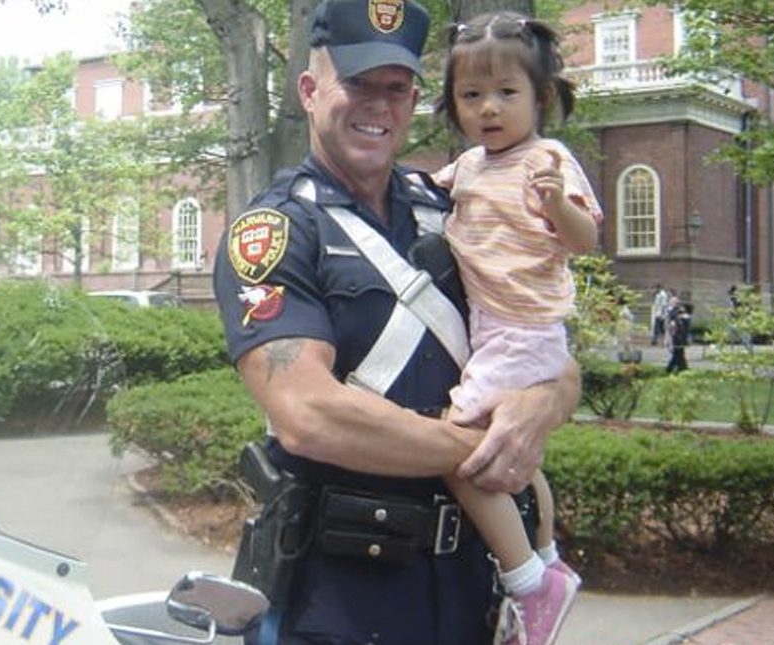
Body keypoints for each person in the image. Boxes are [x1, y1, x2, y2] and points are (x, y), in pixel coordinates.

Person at [212, 1, 581, 644]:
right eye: (357, 84)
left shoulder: (455, 205)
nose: (379, 105)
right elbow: (309, 414)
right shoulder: (276, 231)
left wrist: (539, 407)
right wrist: (483, 452)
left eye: (397, 89)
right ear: (308, 89)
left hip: (472, 587)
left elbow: (554, 356)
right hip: (345, 597)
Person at [431, 12, 602, 645]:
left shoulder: (548, 159)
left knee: (457, 449)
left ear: (541, 98)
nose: (489, 108)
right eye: (471, 96)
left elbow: (584, 240)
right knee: (517, 455)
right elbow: (429, 189)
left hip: (525, 331)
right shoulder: (469, 166)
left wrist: (557, 203)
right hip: (493, 330)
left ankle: (531, 580)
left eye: (507, 92)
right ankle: (551, 555)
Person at [666, 303, 690, 373]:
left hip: (680, 339)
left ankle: (682, 368)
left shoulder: (682, 320)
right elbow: (673, 331)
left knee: (680, 354)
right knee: (677, 354)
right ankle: (670, 369)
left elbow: (685, 330)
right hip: (677, 339)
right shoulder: (675, 320)